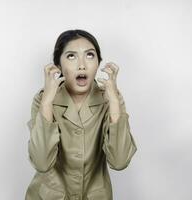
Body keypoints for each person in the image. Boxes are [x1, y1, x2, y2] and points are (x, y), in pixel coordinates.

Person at [25, 29, 137, 200]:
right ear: (58, 65)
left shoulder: (110, 98)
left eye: (90, 55)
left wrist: (114, 103)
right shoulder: (43, 100)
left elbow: (119, 162)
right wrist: (47, 103)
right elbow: (41, 163)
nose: (82, 65)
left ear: (99, 62)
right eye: (71, 56)